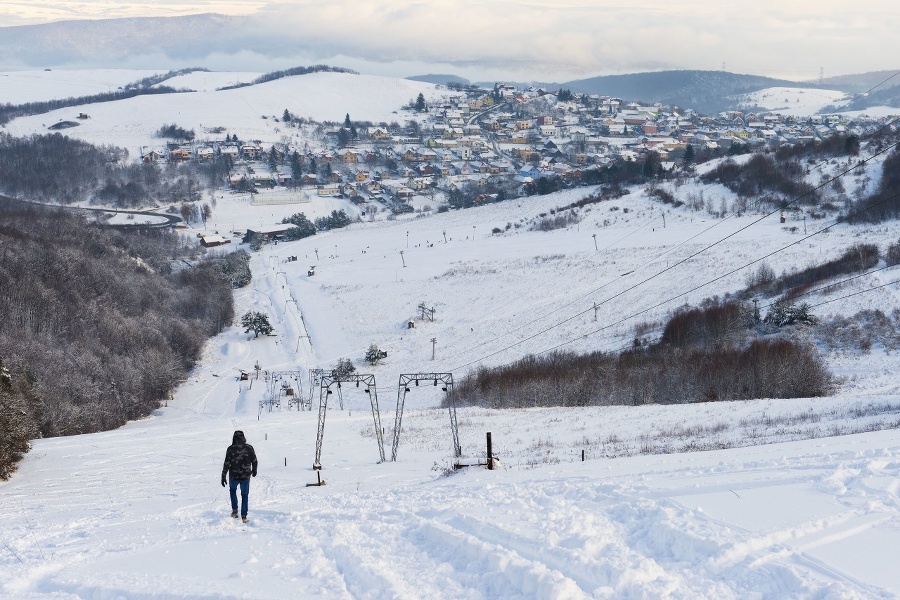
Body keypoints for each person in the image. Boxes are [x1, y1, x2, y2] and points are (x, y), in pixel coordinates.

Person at [221, 430, 258, 523]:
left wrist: (223, 475)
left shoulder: (230, 449)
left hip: (233, 476)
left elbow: (226, 463)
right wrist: (254, 470)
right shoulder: (249, 448)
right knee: (245, 495)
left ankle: (234, 511)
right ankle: (244, 516)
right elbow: (254, 460)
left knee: (233, 491)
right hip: (245, 476)